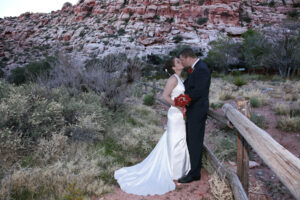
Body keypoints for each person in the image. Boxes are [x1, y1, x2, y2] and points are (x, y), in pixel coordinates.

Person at [114, 57, 190, 195]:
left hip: (180, 114)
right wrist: (178, 104)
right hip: (175, 114)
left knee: (179, 141)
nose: (180, 62)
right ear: (173, 67)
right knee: (175, 142)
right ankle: (174, 175)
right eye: (178, 62)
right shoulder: (173, 79)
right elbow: (164, 96)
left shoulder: (180, 78)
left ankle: (179, 171)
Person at [178, 48, 211, 183]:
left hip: (197, 110)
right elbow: (189, 86)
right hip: (193, 110)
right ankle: (192, 169)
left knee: (195, 141)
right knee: (191, 140)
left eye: (181, 59)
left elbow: (198, 91)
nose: (181, 62)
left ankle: (194, 173)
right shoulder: (195, 68)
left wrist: (180, 101)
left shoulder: (201, 68)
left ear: (188, 58)